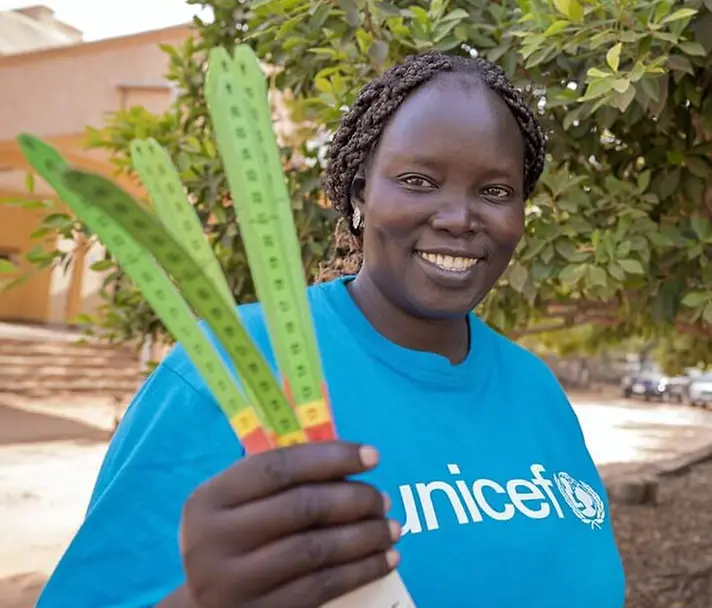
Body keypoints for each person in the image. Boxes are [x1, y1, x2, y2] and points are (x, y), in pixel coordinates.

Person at [37, 51, 626, 608]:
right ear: (361, 193)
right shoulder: (230, 363)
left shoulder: (535, 387)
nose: (458, 218)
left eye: (495, 192)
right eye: (419, 180)